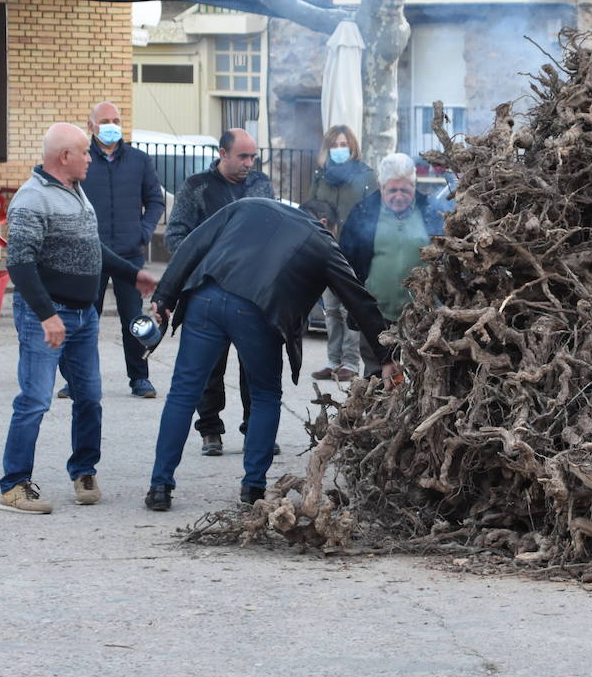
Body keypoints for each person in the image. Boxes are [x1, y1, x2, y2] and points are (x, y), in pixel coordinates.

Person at [143, 196, 396, 511]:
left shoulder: (250, 206)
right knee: (264, 397)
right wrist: (387, 356)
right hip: (257, 314)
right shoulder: (322, 243)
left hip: (206, 299)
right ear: (325, 224)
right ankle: (253, 489)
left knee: (183, 393)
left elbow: (194, 243)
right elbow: (360, 300)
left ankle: (160, 487)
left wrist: (164, 295)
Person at [0, 123, 158, 514]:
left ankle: (84, 470)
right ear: (64, 157)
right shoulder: (32, 199)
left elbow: (91, 246)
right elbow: (19, 264)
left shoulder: (74, 190)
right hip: (49, 316)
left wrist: (131, 274)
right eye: (85, 152)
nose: (91, 157)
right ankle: (14, 485)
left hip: (84, 316)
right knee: (35, 399)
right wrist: (47, 315)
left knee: (89, 397)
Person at [163, 127, 273, 457]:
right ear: (223, 154)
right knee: (211, 366)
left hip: (254, 290)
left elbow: (273, 227)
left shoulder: (261, 185)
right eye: (242, 156)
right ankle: (210, 429)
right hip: (208, 290)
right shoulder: (197, 187)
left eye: (253, 156)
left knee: (256, 363)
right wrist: (210, 260)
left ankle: (254, 426)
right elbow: (175, 237)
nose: (249, 163)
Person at [68, 101, 164, 399]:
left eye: (116, 119)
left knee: (134, 319)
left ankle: (139, 378)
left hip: (128, 254)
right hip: (89, 253)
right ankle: (76, 379)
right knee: (84, 319)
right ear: (91, 125)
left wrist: (144, 232)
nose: (112, 124)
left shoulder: (139, 160)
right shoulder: (81, 160)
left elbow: (155, 201)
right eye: (105, 120)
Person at [339, 152, 445, 377]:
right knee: (379, 380)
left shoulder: (431, 212)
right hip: (375, 316)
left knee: (423, 379)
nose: (399, 196)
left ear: (414, 186)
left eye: (405, 190)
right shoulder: (363, 212)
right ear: (380, 185)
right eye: (392, 190)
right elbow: (346, 263)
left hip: (422, 316)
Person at [309, 125, 376, 382]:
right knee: (331, 310)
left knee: (351, 309)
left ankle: (350, 362)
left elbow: (371, 210)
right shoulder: (320, 176)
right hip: (325, 249)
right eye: (334, 145)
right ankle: (332, 361)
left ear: (352, 146)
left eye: (342, 144)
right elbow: (311, 208)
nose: (339, 149)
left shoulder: (365, 175)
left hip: (354, 250)